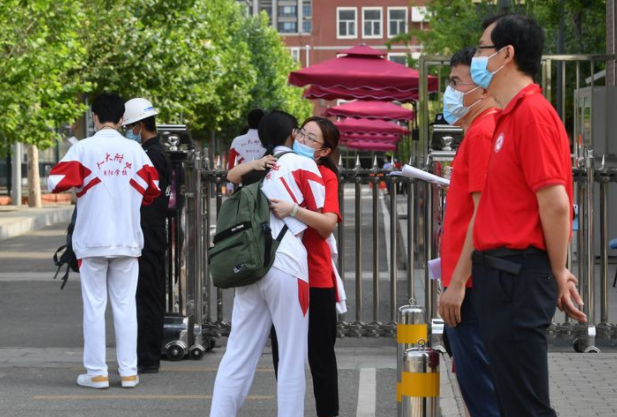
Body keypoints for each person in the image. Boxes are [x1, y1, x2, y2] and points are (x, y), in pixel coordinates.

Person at [470, 14, 587, 417]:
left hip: (518, 274)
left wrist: (559, 271)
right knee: (511, 399)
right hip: (500, 274)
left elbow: (554, 203)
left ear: (507, 54)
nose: (476, 58)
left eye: (482, 49)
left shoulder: (532, 114)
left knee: (525, 405)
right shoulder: (507, 116)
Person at [210, 111, 325, 417]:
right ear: (291, 135)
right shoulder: (304, 164)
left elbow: (231, 178)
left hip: (252, 264)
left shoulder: (255, 167)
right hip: (288, 264)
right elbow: (322, 218)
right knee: (291, 356)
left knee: (238, 353)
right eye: (299, 132)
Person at [48, 92, 160, 389]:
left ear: (94, 117)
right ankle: (129, 372)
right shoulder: (137, 152)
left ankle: (96, 373)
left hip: (92, 240)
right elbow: (153, 189)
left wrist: (86, 183)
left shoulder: (83, 149)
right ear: (123, 119)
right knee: (125, 306)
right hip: (127, 239)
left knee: (94, 306)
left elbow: (56, 182)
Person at [263, 117, 343, 417]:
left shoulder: (325, 176)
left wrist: (295, 210)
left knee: (320, 356)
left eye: (312, 139)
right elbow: (234, 176)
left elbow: (327, 226)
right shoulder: (278, 165)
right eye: (302, 134)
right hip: (282, 273)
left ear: (324, 151)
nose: (303, 140)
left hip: (316, 277)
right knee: (282, 356)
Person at [437, 46, 501, 417]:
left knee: (482, 397)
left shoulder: (481, 133)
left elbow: (483, 213)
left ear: (483, 87)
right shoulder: (480, 130)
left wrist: (457, 283)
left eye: (456, 83)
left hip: (472, 288)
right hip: (473, 281)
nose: (451, 92)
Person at [122, 98, 172, 374]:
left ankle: (148, 356)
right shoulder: (155, 151)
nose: (128, 131)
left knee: (147, 296)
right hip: (151, 230)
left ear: (140, 125)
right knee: (147, 294)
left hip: (148, 231)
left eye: (129, 126)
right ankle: (146, 354)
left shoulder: (150, 155)